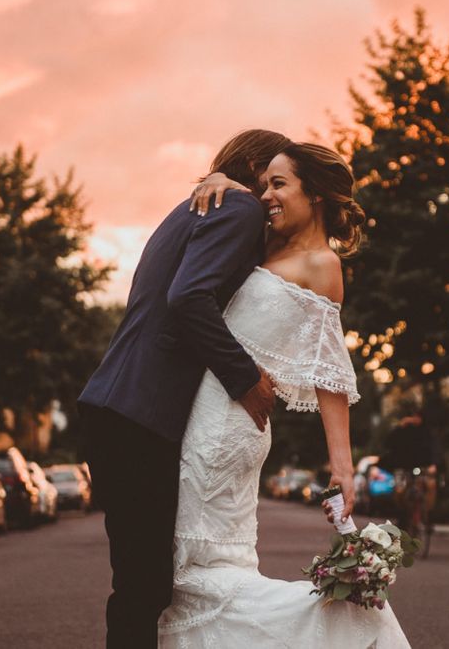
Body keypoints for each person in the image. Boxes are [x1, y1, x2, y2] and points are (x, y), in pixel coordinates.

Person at [158, 143, 410, 647]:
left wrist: (342, 465)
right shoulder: (261, 242)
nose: (265, 195)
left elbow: (329, 372)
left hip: (225, 429)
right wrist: (222, 183)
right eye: (262, 184)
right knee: (200, 575)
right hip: (215, 415)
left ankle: (354, 626)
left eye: (278, 184)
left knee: (196, 578)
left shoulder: (322, 265)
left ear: (313, 193)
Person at [78, 129, 292, 648]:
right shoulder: (237, 210)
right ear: (254, 166)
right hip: (137, 415)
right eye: (275, 178)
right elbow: (189, 297)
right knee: (142, 588)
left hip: (119, 408)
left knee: (140, 583)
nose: (273, 196)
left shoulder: (199, 206)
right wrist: (246, 381)